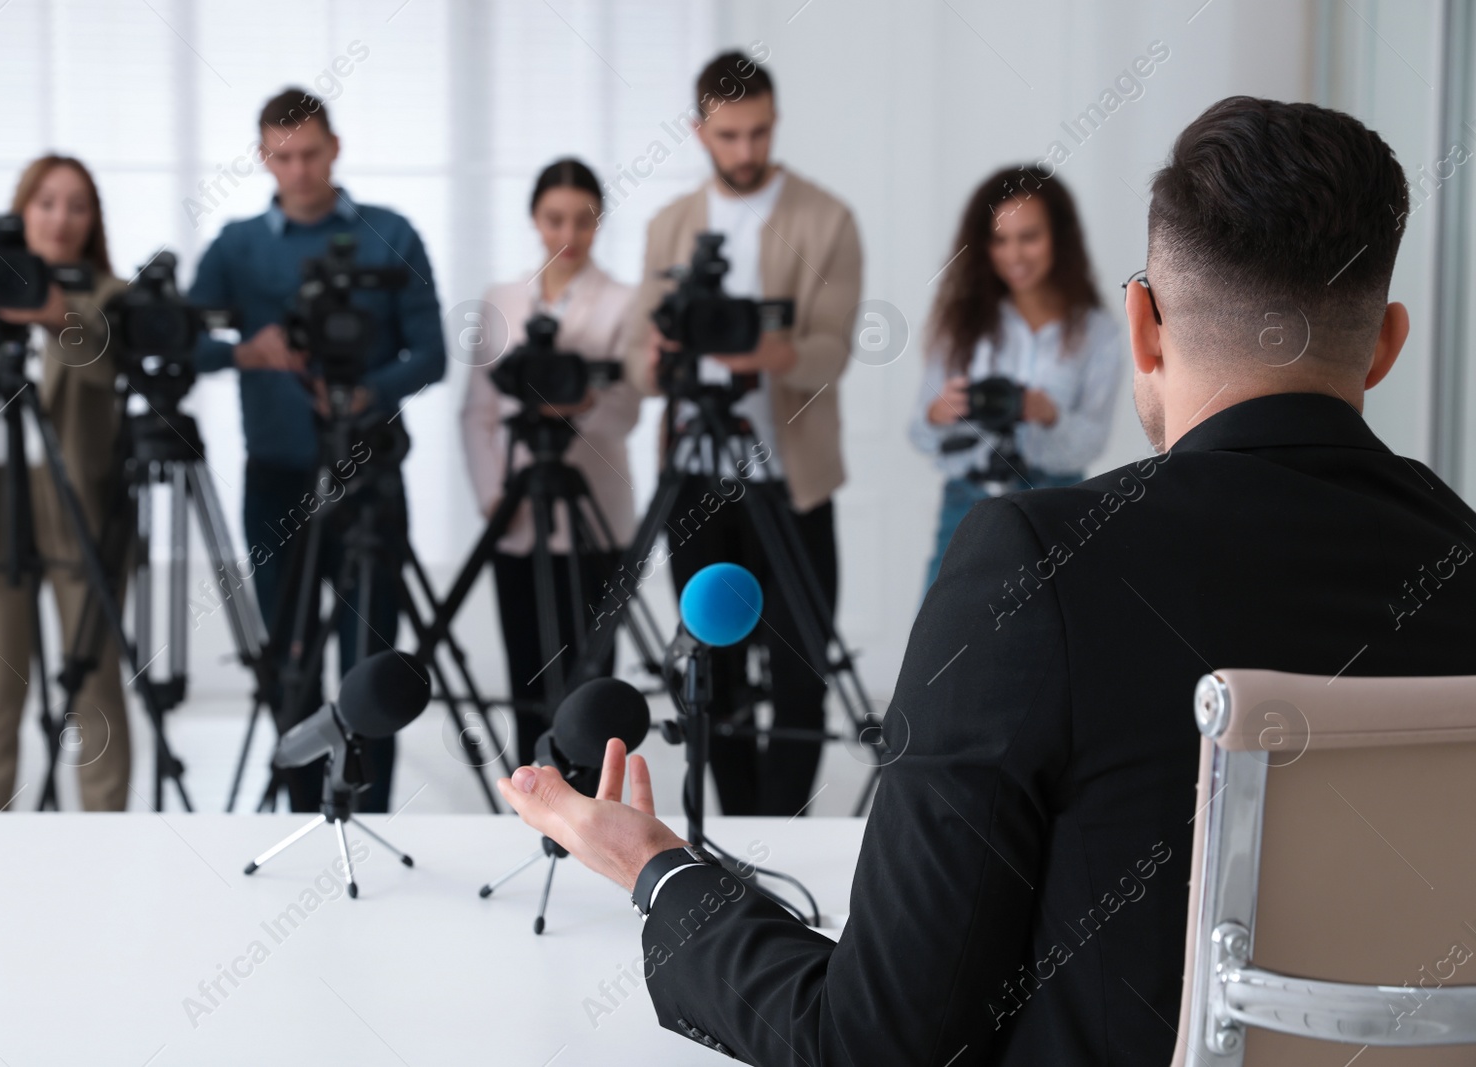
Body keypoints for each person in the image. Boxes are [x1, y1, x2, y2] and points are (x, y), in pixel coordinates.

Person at [498, 97, 1476, 1065]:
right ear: (1385, 343)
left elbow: (871, 1038)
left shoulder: (1037, 560)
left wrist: (653, 865)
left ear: (1140, 325)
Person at [620, 50, 863, 817]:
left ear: (774, 122)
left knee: (799, 666)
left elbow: (833, 350)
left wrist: (762, 353)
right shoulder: (669, 227)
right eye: (729, 135)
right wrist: (660, 359)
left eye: (759, 133)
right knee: (709, 664)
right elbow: (634, 359)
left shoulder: (826, 219)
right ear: (700, 131)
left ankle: (783, 828)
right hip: (695, 471)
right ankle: (734, 824)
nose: (746, 151)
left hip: (793, 476)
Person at [190, 89, 445, 814]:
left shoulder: (389, 231)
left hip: (370, 476)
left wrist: (366, 392)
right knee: (291, 661)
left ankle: (369, 815)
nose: (298, 169)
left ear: (335, 148)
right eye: (283, 155)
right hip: (276, 480)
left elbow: (431, 353)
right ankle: (305, 814)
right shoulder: (237, 246)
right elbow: (185, 338)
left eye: (310, 153)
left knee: (372, 669)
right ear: (264, 157)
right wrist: (247, 351)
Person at [0, 155, 131, 812]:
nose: (60, 218)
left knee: (93, 688)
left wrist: (50, 310)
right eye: (46, 202)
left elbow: (102, 363)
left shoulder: (108, 293)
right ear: (23, 209)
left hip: (82, 507)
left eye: (76, 205)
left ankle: (107, 838)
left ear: (93, 218)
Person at [460, 159, 640, 766]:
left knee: (592, 679)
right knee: (528, 673)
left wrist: (582, 402)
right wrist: (493, 497)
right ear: (534, 219)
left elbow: (627, 410)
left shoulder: (624, 301)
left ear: (600, 222)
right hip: (518, 515)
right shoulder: (501, 300)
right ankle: (536, 793)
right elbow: (478, 412)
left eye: (584, 221)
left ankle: (593, 803)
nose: (569, 235)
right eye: (554, 219)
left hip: (597, 516)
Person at [911, 167, 1122, 591]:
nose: (1015, 255)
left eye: (1029, 237)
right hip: (967, 500)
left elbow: (1092, 442)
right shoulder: (961, 323)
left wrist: (1048, 415)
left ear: (1059, 237)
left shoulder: (1096, 331)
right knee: (939, 639)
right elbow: (920, 434)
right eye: (1000, 240)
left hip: (1056, 502)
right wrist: (938, 413)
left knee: (1050, 640)